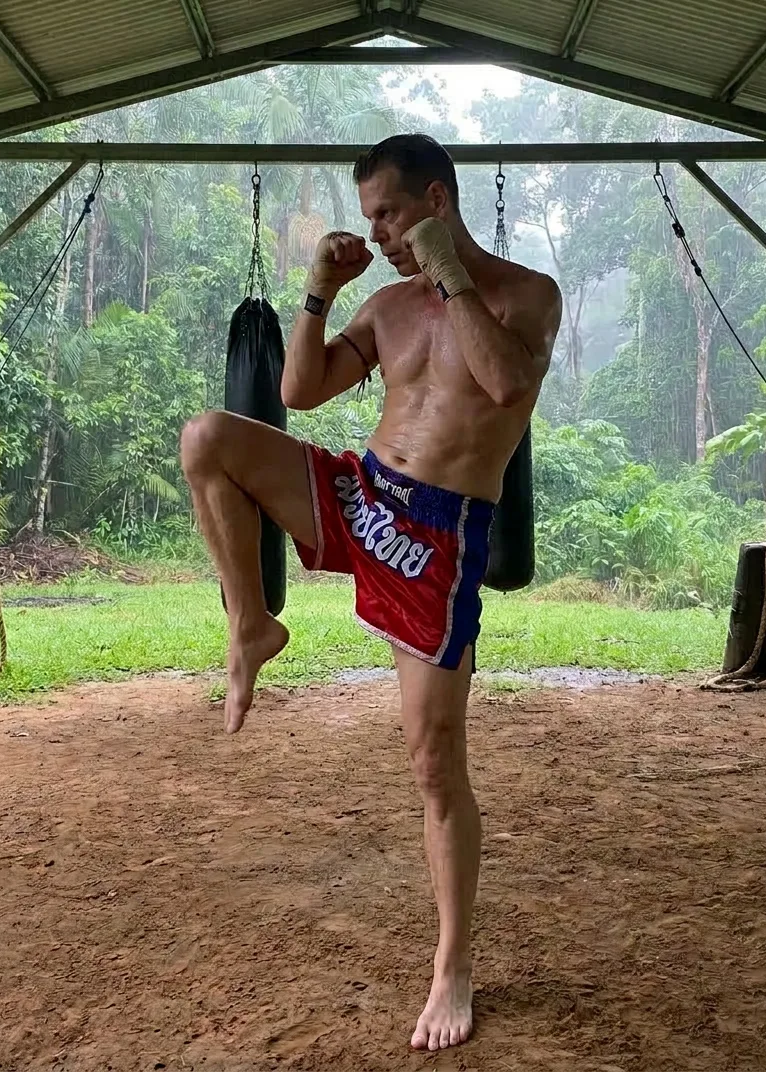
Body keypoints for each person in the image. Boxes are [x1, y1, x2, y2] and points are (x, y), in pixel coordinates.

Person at [181, 133, 561, 1051]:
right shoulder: (388, 306)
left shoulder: (525, 295)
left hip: (439, 536)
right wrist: (319, 288)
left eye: (388, 213)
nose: (378, 232)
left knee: (435, 764)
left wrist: (448, 272)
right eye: (368, 218)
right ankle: (252, 625)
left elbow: (506, 385)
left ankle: (451, 964)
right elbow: (299, 391)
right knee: (207, 439)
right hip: (365, 495)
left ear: (435, 201)